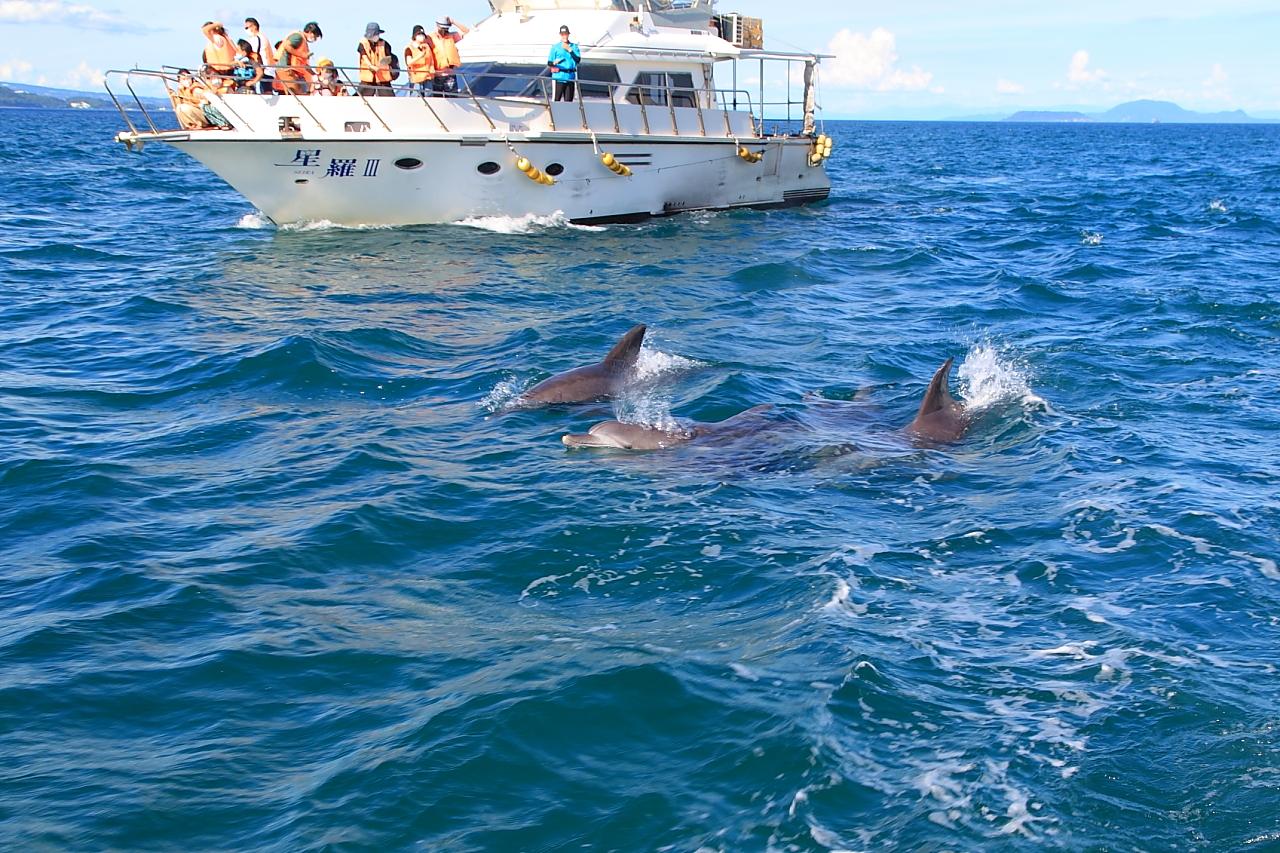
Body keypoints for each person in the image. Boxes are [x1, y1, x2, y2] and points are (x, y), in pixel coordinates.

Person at [276, 21, 323, 95]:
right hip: (285, 69)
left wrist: (315, 74)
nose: (315, 39)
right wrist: (302, 55)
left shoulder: (303, 42)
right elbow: (286, 46)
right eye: (315, 36)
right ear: (310, 32)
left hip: (294, 72)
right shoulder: (298, 37)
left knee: (302, 91)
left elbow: (303, 64)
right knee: (296, 93)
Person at [427, 16, 469, 95]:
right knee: (438, 99)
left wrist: (453, 21)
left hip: (450, 74)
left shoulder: (452, 36)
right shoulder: (430, 38)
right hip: (437, 74)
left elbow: (466, 31)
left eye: (446, 29)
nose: (444, 31)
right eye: (442, 28)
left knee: (452, 97)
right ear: (437, 26)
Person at [357, 22, 395, 96]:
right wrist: (371, 66)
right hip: (367, 79)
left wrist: (382, 65)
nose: (376, 36)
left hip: (382, 78)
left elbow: (389, 58)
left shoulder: (385, 44)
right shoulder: (363, 44)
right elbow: (364, 56)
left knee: (390, 99)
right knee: (359, 99)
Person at [547, 24, 580, 102]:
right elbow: (549, 62)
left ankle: (567, 114)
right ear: (560, 35)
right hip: (559, 77)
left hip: (570, 77)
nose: (564, 36)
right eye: (562, 34)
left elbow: (578, 60)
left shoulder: (574, 46)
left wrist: (570, 50)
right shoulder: (555, 47)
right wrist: (554, 63)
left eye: (565, 34)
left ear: (568, 34)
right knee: (556, 100)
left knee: (568, 102)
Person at [244, 17, 275, 94]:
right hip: (268, 68)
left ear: (254, 26)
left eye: (247, 27)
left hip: (264, 68)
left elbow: (252, 52)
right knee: (266, 89)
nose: (246, 30)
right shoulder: (262, 37)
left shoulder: (257, 38)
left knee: (266, 90)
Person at [403, 25, 435, 95]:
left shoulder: (427, 47)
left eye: (423, 35)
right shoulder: (409, 48)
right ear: (414, 36)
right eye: (419, 35)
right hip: (416, 80)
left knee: (429, 99)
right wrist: (420, 56)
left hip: (428, 77)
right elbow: (409, 62)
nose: (422, 37)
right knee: (416, 99)